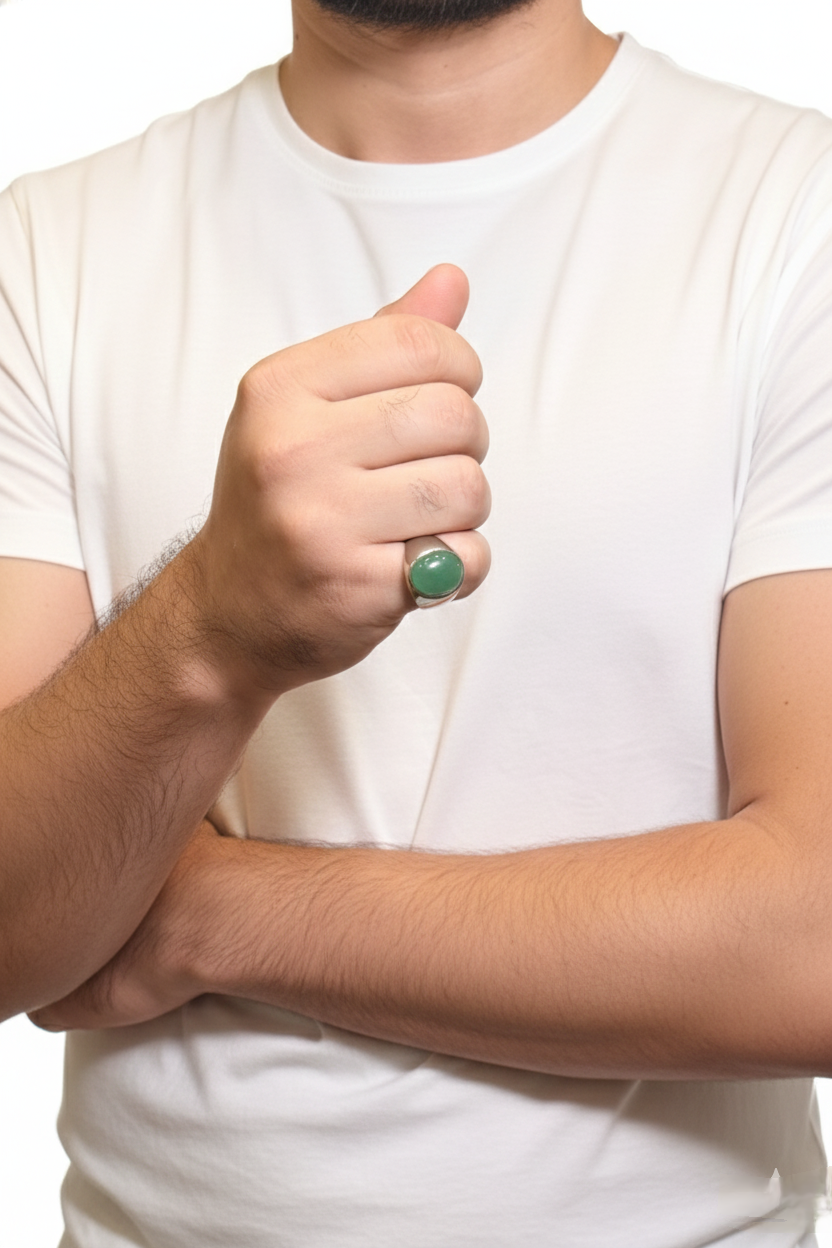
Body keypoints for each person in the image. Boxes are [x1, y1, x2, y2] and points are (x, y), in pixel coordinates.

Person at [1, 0, 832, 1242]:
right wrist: (210, 628)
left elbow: (811, 944)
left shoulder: (796, 216)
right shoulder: (44, 251)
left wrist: (208, 915)